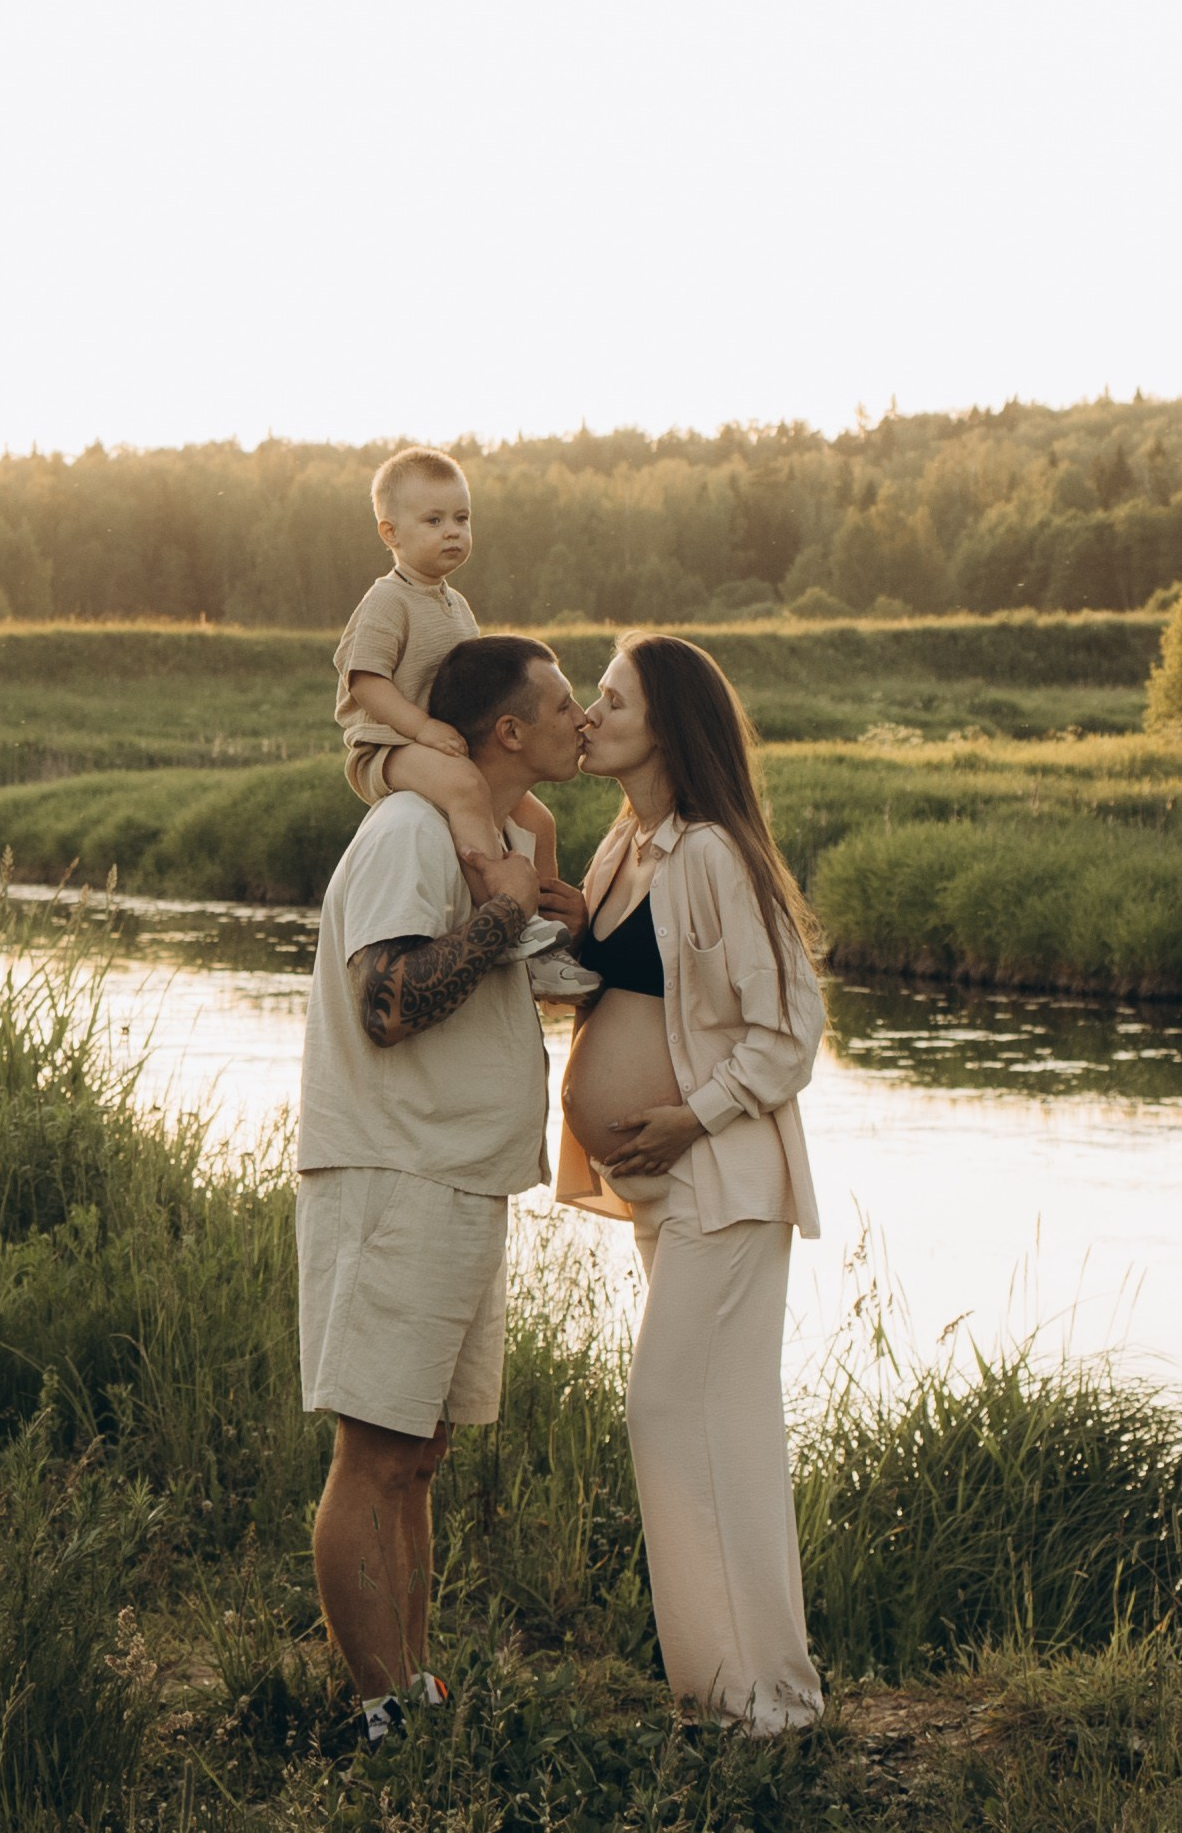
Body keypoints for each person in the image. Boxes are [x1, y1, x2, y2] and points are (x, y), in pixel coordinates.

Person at [296, 629, 592, 1746]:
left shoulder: (502, 836)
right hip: (394, 1176)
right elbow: (388, 1004)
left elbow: (517, 975)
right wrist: (506, 916)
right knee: (374, 1454)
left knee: (420, 1455)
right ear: (507, 730)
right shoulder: (411, 831)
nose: (582, 720)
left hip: (459, 1178)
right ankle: (379, 1717)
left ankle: (414, 1693)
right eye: (564, 704)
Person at [557, 631, 825, 1735]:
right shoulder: (624, 847)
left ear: (666, 723)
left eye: (610, 698)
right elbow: (603, 985)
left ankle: (736, 1699)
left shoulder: (713, 853)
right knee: (728, 1426)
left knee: (670, 1409)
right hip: (671, 1192)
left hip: (724, 1179)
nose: (590, 714)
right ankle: (767, 1694)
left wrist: (687, 1117)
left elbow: (789, 1031)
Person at [334, 447, 596, 998]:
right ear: (391, 533)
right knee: (465, 786)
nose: (452, 532)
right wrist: (420, 728)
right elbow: (365, 681)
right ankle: (503, 915)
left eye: (462, 518)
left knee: (540, 823)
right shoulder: (388, 601)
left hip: (438, 745)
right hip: (386, 749)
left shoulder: (457, 606)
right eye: (433, 521)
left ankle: (545, 944)